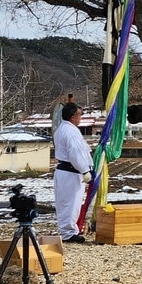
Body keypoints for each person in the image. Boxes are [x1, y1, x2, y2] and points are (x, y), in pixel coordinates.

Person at [52, 101, 93, 243]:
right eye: (79, 115)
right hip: (71, 171)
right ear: (73, 116)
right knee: (70, 203)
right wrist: (85, 170)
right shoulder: (70, 131)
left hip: (66, 171)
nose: (80, 117)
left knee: (66, 202)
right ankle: (68, 232)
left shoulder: (62, 129)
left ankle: (68, 230)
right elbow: (75, 153)